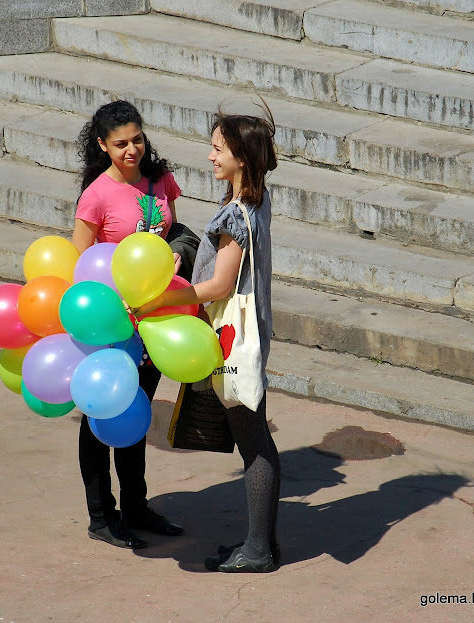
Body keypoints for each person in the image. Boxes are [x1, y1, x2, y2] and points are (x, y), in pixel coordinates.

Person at [133, 102, 281, 572]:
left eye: (218, 149)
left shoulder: (237, 214)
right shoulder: (256, 200)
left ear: (241, 156)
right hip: (245, 328)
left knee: (253, 438)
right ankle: (257, 542)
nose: (211, 156)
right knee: (250, 435)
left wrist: (163, 301)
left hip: (234, 336)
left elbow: (220, 285)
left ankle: (258, 550)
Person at [72, 100, 184, 549]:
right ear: (103, 146)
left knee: (136, 414)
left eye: (137, 139)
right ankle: (101, 516)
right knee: (101, 414)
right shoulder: (96, 195)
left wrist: (179, 256)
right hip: (112, 323)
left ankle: (136, 506)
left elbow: (175, 233)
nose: (132, 149)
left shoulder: (162, 181)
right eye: (120, 144)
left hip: (155, 319)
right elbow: (80, 265)